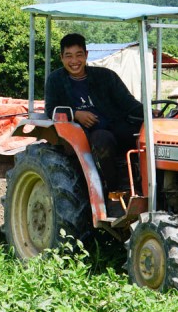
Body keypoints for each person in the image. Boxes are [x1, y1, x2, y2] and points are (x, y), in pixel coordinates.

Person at [44, 33, 143, 193]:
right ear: (61, 58)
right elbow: (51, 110)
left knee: (145, 135)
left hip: (115, 125)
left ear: (86, 55)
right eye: (68, 56)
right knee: (102, 140)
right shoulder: (55, 80)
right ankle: (113, 191)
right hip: (84, 134)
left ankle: (147, 185)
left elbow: (128, 103)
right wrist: (76, 114)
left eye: (79, 55)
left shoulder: (106, 76)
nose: (74, 61)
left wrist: (150, 114)